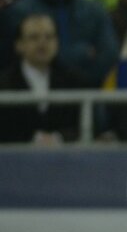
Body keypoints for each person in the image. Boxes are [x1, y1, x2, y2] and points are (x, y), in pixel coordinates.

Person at [0, 14, 85, 145]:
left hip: (65, 160)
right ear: (19, 44)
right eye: (34, 37)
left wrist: (59, 138)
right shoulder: (4, 84)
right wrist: (32, 139)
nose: (42, 43)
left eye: (49, 37)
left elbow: (84, 124)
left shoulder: (73, 80)